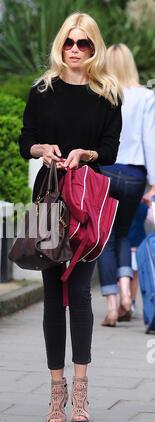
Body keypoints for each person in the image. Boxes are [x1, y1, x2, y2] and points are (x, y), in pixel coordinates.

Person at [18, 12, 122, 422]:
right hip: (49, 195)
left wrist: (85, 154)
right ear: (60, 45)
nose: (75, 50)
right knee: (50, 296)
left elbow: (111, 150)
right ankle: (55, 392)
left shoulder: (108, 93)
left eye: (84, 44)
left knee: (79, 293)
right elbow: (24, 139)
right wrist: (40, 148)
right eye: (69, 43)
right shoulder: (42, 90)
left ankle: (80, 391)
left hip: (86, 197)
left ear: (94, 48)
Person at [97, 43, 155, 327]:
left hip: (105, 170)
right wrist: (154, 184)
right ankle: (125, 296)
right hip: (135, 175)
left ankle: (111, 305)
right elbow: (151, 140)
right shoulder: (146, 97)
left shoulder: (100, 91)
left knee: (104, 237)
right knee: (123, 235)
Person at [128, 201, 154, 318]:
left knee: (124, 276)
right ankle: (131, 302)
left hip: (121, 245)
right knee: (134, 275)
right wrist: (149, 204)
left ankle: (128, 300)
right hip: (137, 245)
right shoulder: (141, 206)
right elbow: (152, 219)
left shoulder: (117, 202)